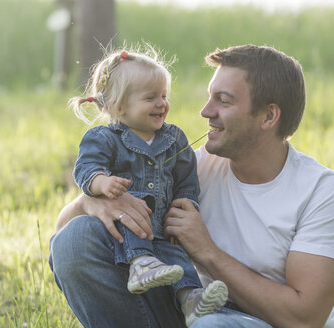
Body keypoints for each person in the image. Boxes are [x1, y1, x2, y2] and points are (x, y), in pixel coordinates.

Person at [49, 45, 334, 328]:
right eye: (210, 97)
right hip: (189, 311)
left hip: (252, 322)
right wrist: (91, 204)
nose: (205, 112)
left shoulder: (321, 191)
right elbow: (60, 242)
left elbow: (306, 319)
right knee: (75, 239)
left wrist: (206, 251)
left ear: (268, 116)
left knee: (212, 326)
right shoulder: (191, 167)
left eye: (223, 101)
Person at [67, 48, 228, 327]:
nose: (161, 104)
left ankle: (192, 300)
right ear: (119, 107)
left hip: (164, 228)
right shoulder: (104, 138)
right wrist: (102, 183)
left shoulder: (174, 138)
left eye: (164, 96)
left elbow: (186, 178)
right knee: (133, 223)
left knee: (178, 259)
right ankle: (140, 265)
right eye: (150, 98)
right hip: (128, 223)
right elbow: (85, 169)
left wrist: (187, 203)